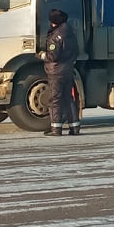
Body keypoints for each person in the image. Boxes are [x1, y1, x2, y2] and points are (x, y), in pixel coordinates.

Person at [37, 8, 80, 136]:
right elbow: (75, 52)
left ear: (54, 21)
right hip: (67, 70)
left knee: (55, 99)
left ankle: (56, 129)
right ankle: (75, 128)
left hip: (56, 72)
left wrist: (41, 55)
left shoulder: (55, 36)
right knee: (68, 99)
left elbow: (53, 56)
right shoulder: (70, 32)